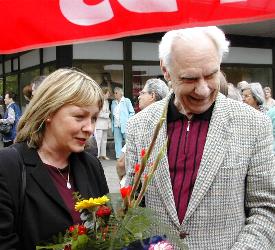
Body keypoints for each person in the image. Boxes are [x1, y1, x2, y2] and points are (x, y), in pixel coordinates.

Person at [125, 26, 275, 249]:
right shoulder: (139, 126)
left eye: (211, 74)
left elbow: (266, 209)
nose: (203, 90)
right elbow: (134, 205)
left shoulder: (254, 124)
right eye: (190, 78)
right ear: (166, 70)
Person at [0, 68, 109, 249]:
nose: (89, 128)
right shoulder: (7, 167)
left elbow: (106, 231)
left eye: (94, 118)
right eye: (79, 117)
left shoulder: (91, 165)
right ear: (49, 112)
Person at [116, 78, 169, 183]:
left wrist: (122, 179)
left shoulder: (137, 123)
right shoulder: (172, 120)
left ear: (152, 96)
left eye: (143, 93)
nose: (139, 96)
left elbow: (122, 163)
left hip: (142, 188)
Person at [111, 87, 135, 159]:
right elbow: (112, 115)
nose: (114, 94)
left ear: (121, 93)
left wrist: (128, 121)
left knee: (128, 141)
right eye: (114, 93)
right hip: (116, 125)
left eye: (116, 93)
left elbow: (132, 112)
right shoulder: (113, 103)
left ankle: (128, 156)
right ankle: (119, 157)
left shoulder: (126, 101)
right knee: (117, 142)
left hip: (125, 125)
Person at [95, 87, 111, 160]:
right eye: (108, 94)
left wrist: (108, 113)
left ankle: (103, 154)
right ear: (104, 93)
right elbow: (98, 113)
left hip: (105, 123)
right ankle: (97, 155)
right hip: (99, 124)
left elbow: (107, 111)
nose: (109, 95)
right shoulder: (99, 101)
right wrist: (107, 114)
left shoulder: (107, 102)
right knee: (98, 140)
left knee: (104, 140)